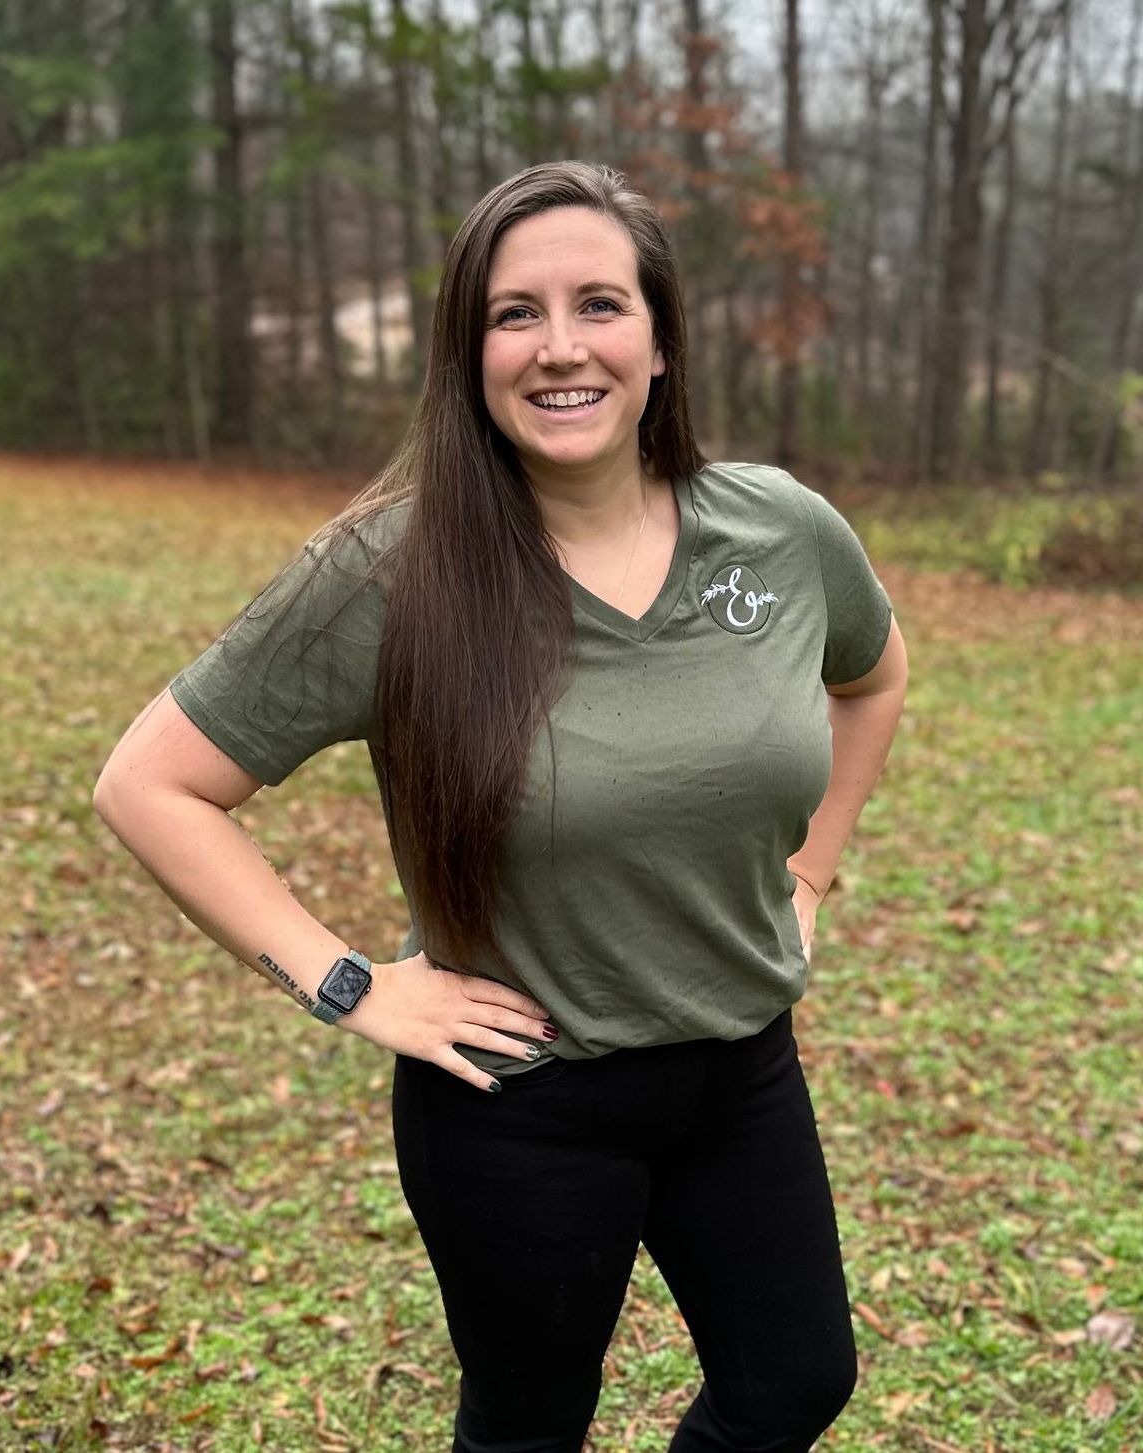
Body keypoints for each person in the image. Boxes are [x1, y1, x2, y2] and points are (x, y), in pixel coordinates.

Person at [94, 160, 909, 1453]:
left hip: (741, 1070)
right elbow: (152, 783)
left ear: (659, 339)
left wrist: (811, 874)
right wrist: (350, 982)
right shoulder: (389, 570)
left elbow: (871, 674)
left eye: (600, 303)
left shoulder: (779, 529)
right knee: (529, 1426)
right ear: (468, 350)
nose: (559, 346)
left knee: (795, 1380)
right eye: (514, 312)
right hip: (520, 1099)